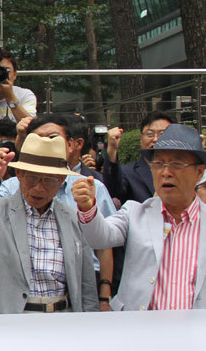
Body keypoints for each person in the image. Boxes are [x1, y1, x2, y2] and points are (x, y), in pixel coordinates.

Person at [74, 123, 206, 311]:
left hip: (196, 331)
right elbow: (100, 237)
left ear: (199, 172)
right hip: (140, 329)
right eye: (158, 164)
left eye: (177, 164)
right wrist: (87, 207)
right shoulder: (135, 212)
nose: (166, 173)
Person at [0, 134, 98, 314]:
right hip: (7, 317)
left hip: (61, 317)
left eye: (49, 180)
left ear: (61, 181)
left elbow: (86, 281)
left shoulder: (73, 217)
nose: (39, 188)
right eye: (32, 178)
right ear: (18, 174)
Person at [0, 114, 117, 309]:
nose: (39, 188)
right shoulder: (8, 190)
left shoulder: (91, 189)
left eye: (52, 138)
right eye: (37, 138)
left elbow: (104, 244)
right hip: (14, 299)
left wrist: (104, 296)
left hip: (77, 287)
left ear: (71, 144)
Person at [102, 111, 174, 205]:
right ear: (141, 139)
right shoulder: (128, 173)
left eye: (162, 134)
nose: (155, 139)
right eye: (150, 134)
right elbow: (113, 191)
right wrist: (112, 150)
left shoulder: (184, 171)